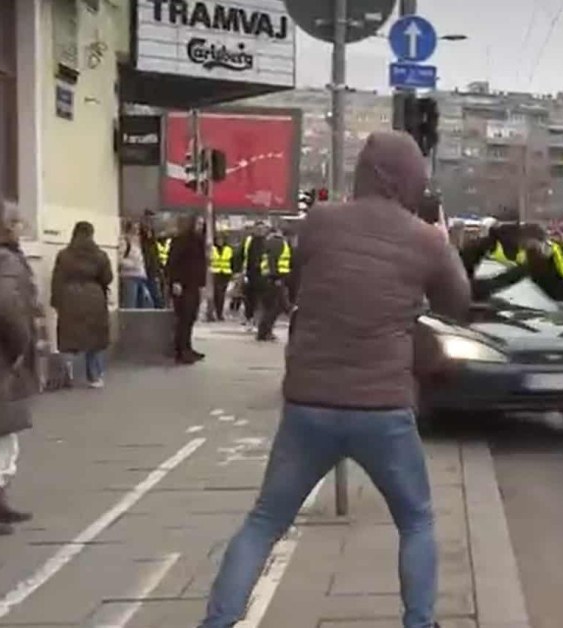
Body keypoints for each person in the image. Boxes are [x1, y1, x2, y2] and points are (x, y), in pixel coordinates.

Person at [199, 131, 471, 628]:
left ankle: (218, 623)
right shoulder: (425, 239)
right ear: (407, 179)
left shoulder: (319, 222)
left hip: (310, 403)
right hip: (383, 408)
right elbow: (459, 303)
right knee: (416, 521)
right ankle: (419, 622)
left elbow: (303, 285)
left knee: (264, 521)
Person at [0, 197, 37, 536]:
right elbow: (4, 306)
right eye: (18, 222)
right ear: (6, 226)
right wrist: (20, 343)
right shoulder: (4, 259)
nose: (22, 227)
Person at [51, 221, 113, 388]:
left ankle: (66, 372)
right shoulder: (100, 255)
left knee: (68, 337)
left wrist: (56, 301)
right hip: (94, 297)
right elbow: (107, 278)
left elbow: (57, 279)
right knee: (95, 339)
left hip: (69, 297)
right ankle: (94, 376)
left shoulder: (64, 255)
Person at [166, 214, 207, 365]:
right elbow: (172, 262)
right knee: (184, 318)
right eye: (198, 223)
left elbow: (200, 264)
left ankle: (188, 347)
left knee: (190, 318)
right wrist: (175, 281)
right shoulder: (181, 240)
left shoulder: (199, 241)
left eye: (202, 224)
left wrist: (202, 284)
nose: (200, 227)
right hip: (182, 285)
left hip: (194, 284)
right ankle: (181, 351)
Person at [255, 228, 292, 342]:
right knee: (274, 307)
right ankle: (265, 331)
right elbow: (273, 260)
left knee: (270, 306)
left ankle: (264, 331)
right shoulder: (278, 243)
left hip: (267, 278)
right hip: (275, 278)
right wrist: (276, 277)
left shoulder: (268, 243)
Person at [118, 219, 150, 309]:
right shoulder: (125, 241)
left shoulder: (138, 243)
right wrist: (133, 265)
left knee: (143, 305)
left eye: (138, 228)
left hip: (141, 276)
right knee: (130, 305)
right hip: (129, 277)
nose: (137, 231)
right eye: (134, 228)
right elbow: (120, 259)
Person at [138, 210, 165, 308]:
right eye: (148, 220)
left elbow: (154, 252)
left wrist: (159, 266)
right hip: (142, 268)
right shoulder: (140, 235)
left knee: (156, 295)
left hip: (152, 269)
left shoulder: (152, 235)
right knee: (142, 296)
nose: (150, 223)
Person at [208, 232, 234, 322]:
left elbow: (232, 261)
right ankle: (217, 313)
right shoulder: (212, 249)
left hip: (225, 274)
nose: (220, 241)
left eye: (221, 240)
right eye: (218, 240)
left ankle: (219, 313)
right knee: (217, 294)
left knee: (221, 294)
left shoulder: (228, 249)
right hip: (215, 273)